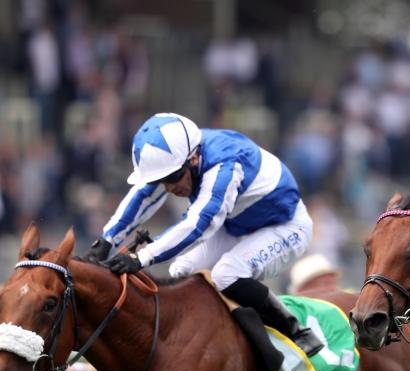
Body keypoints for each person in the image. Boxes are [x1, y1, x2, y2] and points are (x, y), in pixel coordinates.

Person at [89, 112, 323, 356]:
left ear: (193, 158)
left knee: (226, 274)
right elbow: (143, 196)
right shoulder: (182, 154)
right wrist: (107, 240)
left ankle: (296, 332)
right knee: (180, 270)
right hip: (236, 225)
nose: (169, 187)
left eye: (172, 178)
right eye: (162, 180)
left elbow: (198, 225)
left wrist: (141, 257)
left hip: (285, 226)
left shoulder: (225, 165)